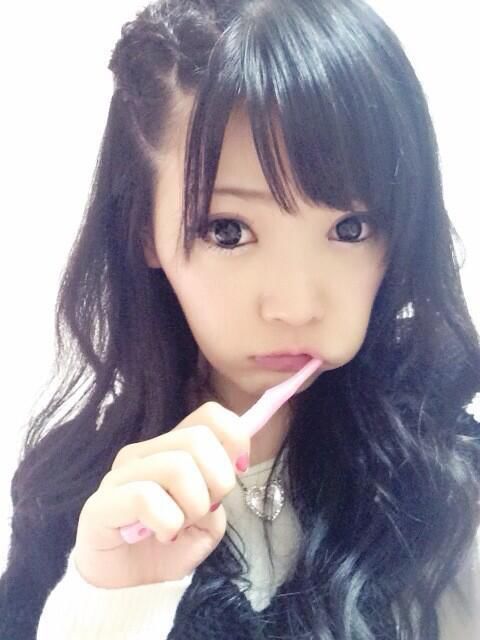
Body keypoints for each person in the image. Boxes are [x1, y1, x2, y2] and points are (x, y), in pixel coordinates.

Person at [1, 0, 479, 638]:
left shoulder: (445, 468)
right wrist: (108, 605)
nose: (296, 306)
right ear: (145, 229)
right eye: (228, 230)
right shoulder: (75, 500)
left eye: (351, 228)